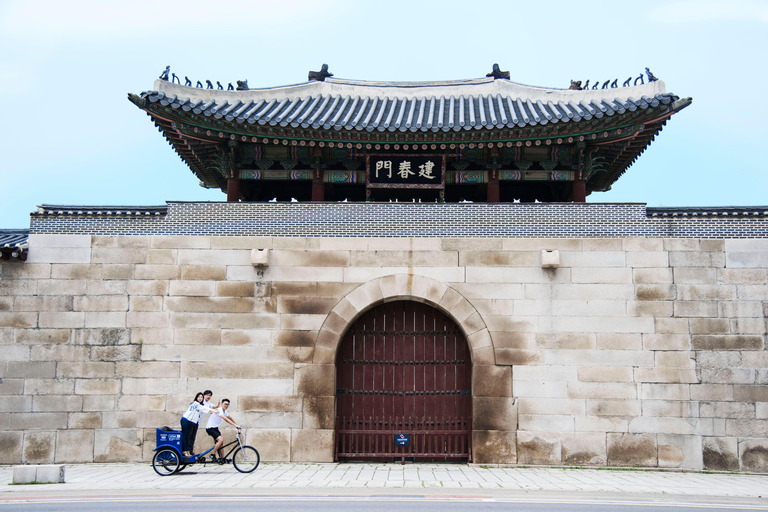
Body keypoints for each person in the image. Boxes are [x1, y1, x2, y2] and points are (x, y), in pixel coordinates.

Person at [180, 392, 217, 457]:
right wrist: (213, 410)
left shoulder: (201, 405)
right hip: (186, 420)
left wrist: (212, 410)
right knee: (185, 436)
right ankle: (184, 451)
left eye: (201, 397)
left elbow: (204, 409)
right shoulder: (195, 404)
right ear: (196, 398)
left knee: (190, 437)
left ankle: (189, 451)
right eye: (199, 397)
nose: (200, 398)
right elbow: (203, 408)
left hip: (192, 422)